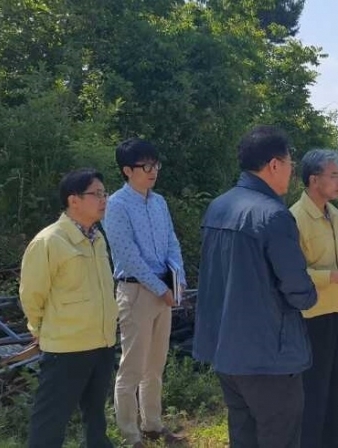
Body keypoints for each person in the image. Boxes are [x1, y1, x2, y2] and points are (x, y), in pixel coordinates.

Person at [193, 125, 318, 448]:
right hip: (269, 358)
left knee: (243, 437)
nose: (291, 173)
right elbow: (298, 290)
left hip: (227, 352)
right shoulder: (273, 216)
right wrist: (311, 292)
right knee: (280, 437)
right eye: (291, 164)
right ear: (274, 165)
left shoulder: (218, 207)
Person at [19, 168, 119, 448]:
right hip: (66, 347)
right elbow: (32, 296)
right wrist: (40, 329)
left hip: (102, 341)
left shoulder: (97, 238)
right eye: (96, 194)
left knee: (96, 416)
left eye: (104, 193)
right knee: (51, 421)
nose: (103, 200)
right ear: (73, 200)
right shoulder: (49, 241)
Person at [103, 138, 186, 447]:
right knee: (132, 366)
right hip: (136, 292)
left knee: (156, 364)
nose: (153, 172)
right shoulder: (116, 205)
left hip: (164, 291)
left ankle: (152, 424)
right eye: (145, 166)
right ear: (127, 170)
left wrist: (177, 280)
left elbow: (172, 243)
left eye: (155, 165)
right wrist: (161, 288)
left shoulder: (159, 202)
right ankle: (129, 433)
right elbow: (128, 256)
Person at [290, 149, 338, 448]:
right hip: (314, 317)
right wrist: (333, 277)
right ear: (313, 180)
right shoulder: (296, 218)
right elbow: (294, 275)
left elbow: (332, 257)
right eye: (333, 176)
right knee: (314, 393)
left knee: (336, 389)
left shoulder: (333, 213)